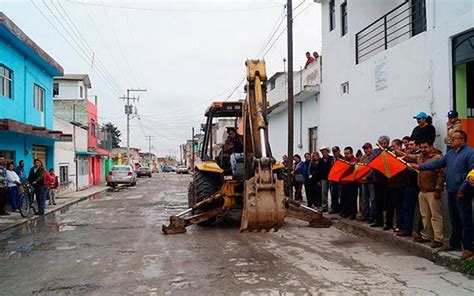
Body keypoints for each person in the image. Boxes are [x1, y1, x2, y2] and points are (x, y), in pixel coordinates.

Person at [410, 131, 474, 259]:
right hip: (451, 190)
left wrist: (463, 188)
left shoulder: (470, 153)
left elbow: (472, 172)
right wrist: (420, 167)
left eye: (453, 138)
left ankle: (468, 247)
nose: (450, 140)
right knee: (454, 219)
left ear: (462, 140)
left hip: (463, 192)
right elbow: (437, 164)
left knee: (465, 220)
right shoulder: (450, 154)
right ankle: (454, 243)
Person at [407, 139, 445, 248]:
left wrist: (438, 189)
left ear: (431, 146)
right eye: (421, 147)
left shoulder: (437, 158)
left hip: (433, 191)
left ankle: (438, 238)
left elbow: (441, 175)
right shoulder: (420, 157)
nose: (423, 149)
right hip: (422, 190)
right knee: (425, 215)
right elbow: (410, 158)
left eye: (425, 147)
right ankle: (426, 235)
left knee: (435, 216)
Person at [397, 138, 422, 237]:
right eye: (408, 145)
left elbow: (413, 159)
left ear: (417, 145)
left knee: (422, 211)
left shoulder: (420, 155)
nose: (409, 146)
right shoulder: (407, 155)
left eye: (411, 145)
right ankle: (407, 230)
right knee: (407, 209)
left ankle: (421, 232)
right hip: (409, 185)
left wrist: (401, 155)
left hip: (419, 186)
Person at [386, 139, 408, 232]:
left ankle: (401, 225)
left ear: (399, 146)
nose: (392, 148)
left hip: (401, 185)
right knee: (395, 206)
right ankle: (397, 224)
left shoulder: (404, 156)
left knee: (400, 207)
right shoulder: (391, 156)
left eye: (394, 146)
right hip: (392, 184)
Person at [371, 135, 390, 228]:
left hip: (387, 180)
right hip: (377, 179)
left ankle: (388, 223)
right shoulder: (375, 152)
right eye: (381, 144)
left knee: (387, 203)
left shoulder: (390, 151)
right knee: (378, 201)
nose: (383, 145)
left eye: (385, 143)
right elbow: (374, 161)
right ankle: (378, 221)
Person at [340, 147, 358, 220]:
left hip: (352, 183)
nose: (346, 155)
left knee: (352, 199)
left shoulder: (355, 160)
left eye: (347, 153)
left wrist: (352, 164)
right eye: (345, 153)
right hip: (344, 182)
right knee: (344, 199)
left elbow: (357, 166)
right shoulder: (344, 160)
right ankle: (345, 212)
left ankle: (352, 214)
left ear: (351, 153)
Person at [359, 143, 375, 223]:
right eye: (365, 149)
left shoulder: (373, 157)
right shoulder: (363, 157)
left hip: (371, 181)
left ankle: (372, 217)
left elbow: (373, 169)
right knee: (365, 199)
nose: (366, 150)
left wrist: (367, 176)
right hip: (363, 181)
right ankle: (366, 215)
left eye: (367, 148)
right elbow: (360, 167)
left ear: (371, 148)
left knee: (372, 199)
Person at [318, 146, 333, 212]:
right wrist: (319, 180)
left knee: (333, 193)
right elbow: (319, 171)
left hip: (331, 179)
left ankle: (333, 207)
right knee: (324, 193)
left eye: (325, 152)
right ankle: (324, 206)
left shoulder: (331, 159)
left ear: (328, 152)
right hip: (323, 179)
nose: (324, 153)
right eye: (322, 152)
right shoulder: (320, 161)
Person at [330, 146, 343, 214]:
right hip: (333, 180)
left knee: (341, 196)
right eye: (334, 152)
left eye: (336, 151)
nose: (335, 153)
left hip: (340, 180)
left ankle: (341, 209)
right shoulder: (332, 159)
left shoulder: (342, 159)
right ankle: (334, 209)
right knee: (333, 196)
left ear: (339, 151)